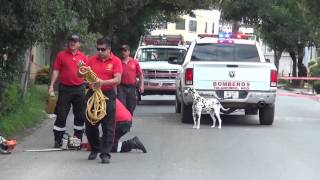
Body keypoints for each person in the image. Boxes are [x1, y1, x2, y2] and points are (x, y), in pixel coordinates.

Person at [84, 37, 122, 164]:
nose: (99, 51)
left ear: (109, 49)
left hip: (107, 94)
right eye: (98, 49)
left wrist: (102, 82)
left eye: (102, 49)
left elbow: (117, 80)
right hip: (93, 94)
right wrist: (81, 69)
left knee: (108, 126)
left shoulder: (116, 61)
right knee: (90, 124)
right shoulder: (92, 59)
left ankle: (105, 153)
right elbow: (82, 74)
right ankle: (95, 148)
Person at [49, 35, 87, 148]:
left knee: (80, 116)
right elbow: (56, 70)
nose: (72, 43)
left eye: (75, 41)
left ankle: (77, 140)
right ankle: (58, 140)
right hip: (65, 89)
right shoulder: (61, 55)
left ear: (79, 44)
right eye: (71, 41)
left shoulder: (83, 57)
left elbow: (86, 73)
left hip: (79, 89)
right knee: (61, 115)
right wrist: (51, 85)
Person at [117, 44, 144, 115]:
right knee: (122, 105)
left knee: (132, 105)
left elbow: (140, 74)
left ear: (129, 52)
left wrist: (141, 85)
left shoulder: (134, 62)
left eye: (125, 51)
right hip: (121, 87)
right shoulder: (118, 62)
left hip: (132, 88)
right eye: (122, 51)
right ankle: (124, 122)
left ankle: (129, 119)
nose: (123, 52)